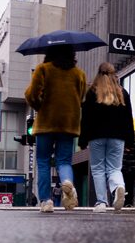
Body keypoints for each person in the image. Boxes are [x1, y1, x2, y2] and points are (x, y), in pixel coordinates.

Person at [24, 45, 87, 213]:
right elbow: (81, 98)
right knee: (64, 161)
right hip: (68, 123)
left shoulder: (43, 69)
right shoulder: (78, 74)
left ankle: (46, 201)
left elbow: (31, 95)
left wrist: (39, 106)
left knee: (43, 161)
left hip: (46, 122)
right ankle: (67, 182)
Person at [78, 62, 135, 213]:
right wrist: (130, 139)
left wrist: (83, 139)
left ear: (98, 73)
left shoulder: (92, 93)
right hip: (117, 137)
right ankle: (118, 187)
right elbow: (128, 118)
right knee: (115, 168)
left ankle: (101, 202)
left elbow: (86, 119)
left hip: (96, 137)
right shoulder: (122, 92)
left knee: (98, 169)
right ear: (113, 74)